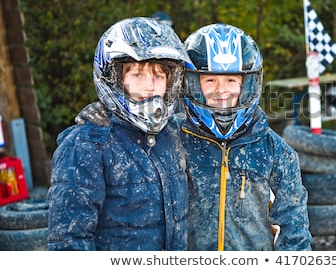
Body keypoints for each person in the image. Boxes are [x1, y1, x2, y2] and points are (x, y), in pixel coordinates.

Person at [76, 23, 312, 251]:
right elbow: (126, 150)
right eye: (210, 80)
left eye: (232, 80)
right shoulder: (167, 138)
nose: (221, 90)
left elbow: (293, 230)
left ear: (248, 84)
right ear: (191, 83)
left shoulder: (275, 152)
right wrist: (105, 118)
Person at [47, 17, 192, 250]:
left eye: (159, 76)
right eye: (138, 75)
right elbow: (70, 241)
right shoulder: (86, 145)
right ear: (115, 78)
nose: (150, 85)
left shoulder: (174, 135)